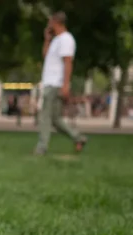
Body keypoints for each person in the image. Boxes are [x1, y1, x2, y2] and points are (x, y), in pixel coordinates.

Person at [34, 11, 87, 155]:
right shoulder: (56, 40)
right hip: (49, 82)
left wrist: (65, 85)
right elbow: (45, 56)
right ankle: (78, 138)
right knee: (55, 119)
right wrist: (47, 40)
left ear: (56, 22)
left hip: (55, 84)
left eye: (50, 21)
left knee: (44, 116)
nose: (48, 24)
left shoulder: (66, 39)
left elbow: (68, 62)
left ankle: (41, 147)